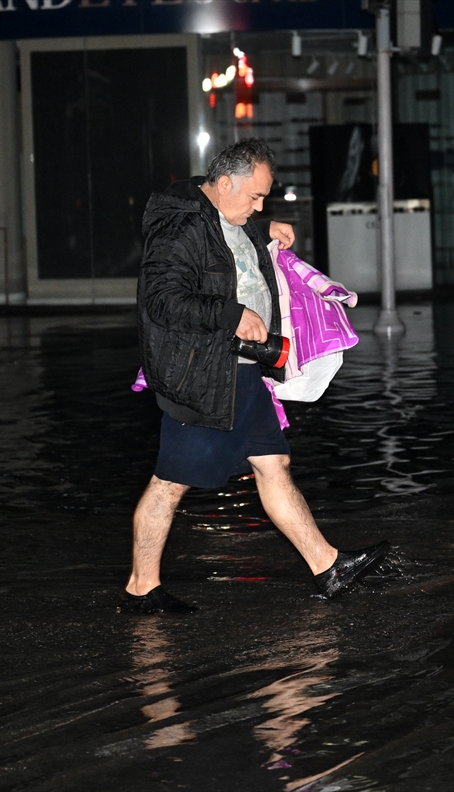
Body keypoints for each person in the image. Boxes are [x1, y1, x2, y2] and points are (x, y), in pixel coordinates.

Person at [120, 139, 387, 614]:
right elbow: (160, 300)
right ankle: (142, 587)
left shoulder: (229, 215)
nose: (260, 205)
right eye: (255, 198)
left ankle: (328, 566)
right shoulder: (179, 228)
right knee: (169, 482)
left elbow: (226, 254)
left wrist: (264, 228)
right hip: (200, 377)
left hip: (241, 371)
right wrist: (229, 313)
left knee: (273, 464)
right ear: (223, 184)